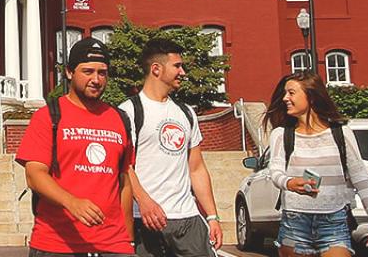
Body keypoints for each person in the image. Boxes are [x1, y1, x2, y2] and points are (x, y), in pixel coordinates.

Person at [16, 37, 134, 257]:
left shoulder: (120, 119)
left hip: (113, 245)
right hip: (56, 244)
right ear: (70, 72)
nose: (96, 79)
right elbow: (34, 175)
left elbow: (124, 181)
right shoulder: (48, 116)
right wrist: (72, 202)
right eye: (88, 71)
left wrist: (128, 240)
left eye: (102, 73)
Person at [118, 37, 223, 257]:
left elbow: (196, 168)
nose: (183, 72)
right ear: (156, 69)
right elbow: (123, 165)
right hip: (144, 219)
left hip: (187, 219)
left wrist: (212, 216)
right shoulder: (129, 111)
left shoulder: (186, 112)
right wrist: (144, 202)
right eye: (177, 66)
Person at [265, 73, 368, 257]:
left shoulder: (341, 134)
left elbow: (361, 179)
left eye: (291, 93)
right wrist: (289, 183)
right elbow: (275, 171)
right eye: (285, 93)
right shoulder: (282, 135)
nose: (285, 98)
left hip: (335, 222)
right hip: (294, 223)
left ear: (311, 96)